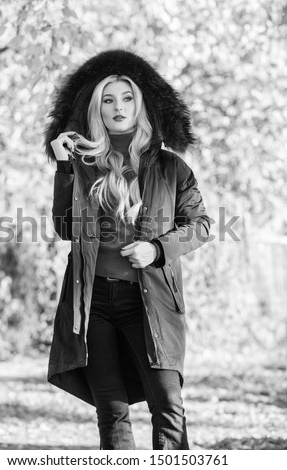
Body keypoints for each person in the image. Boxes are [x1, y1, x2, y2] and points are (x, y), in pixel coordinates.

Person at [44, 49, 210, 450]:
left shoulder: (171, 168)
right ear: (96, 109)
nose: (118, 107)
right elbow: (66, 227)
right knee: (112, 410)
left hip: (150, 300)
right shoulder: (83, 164)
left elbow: (200, 225)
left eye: (127, 98)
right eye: (108, 99)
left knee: (168, 403)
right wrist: (65, 166)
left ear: (141, 105)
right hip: (93, 301)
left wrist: (156, 249)